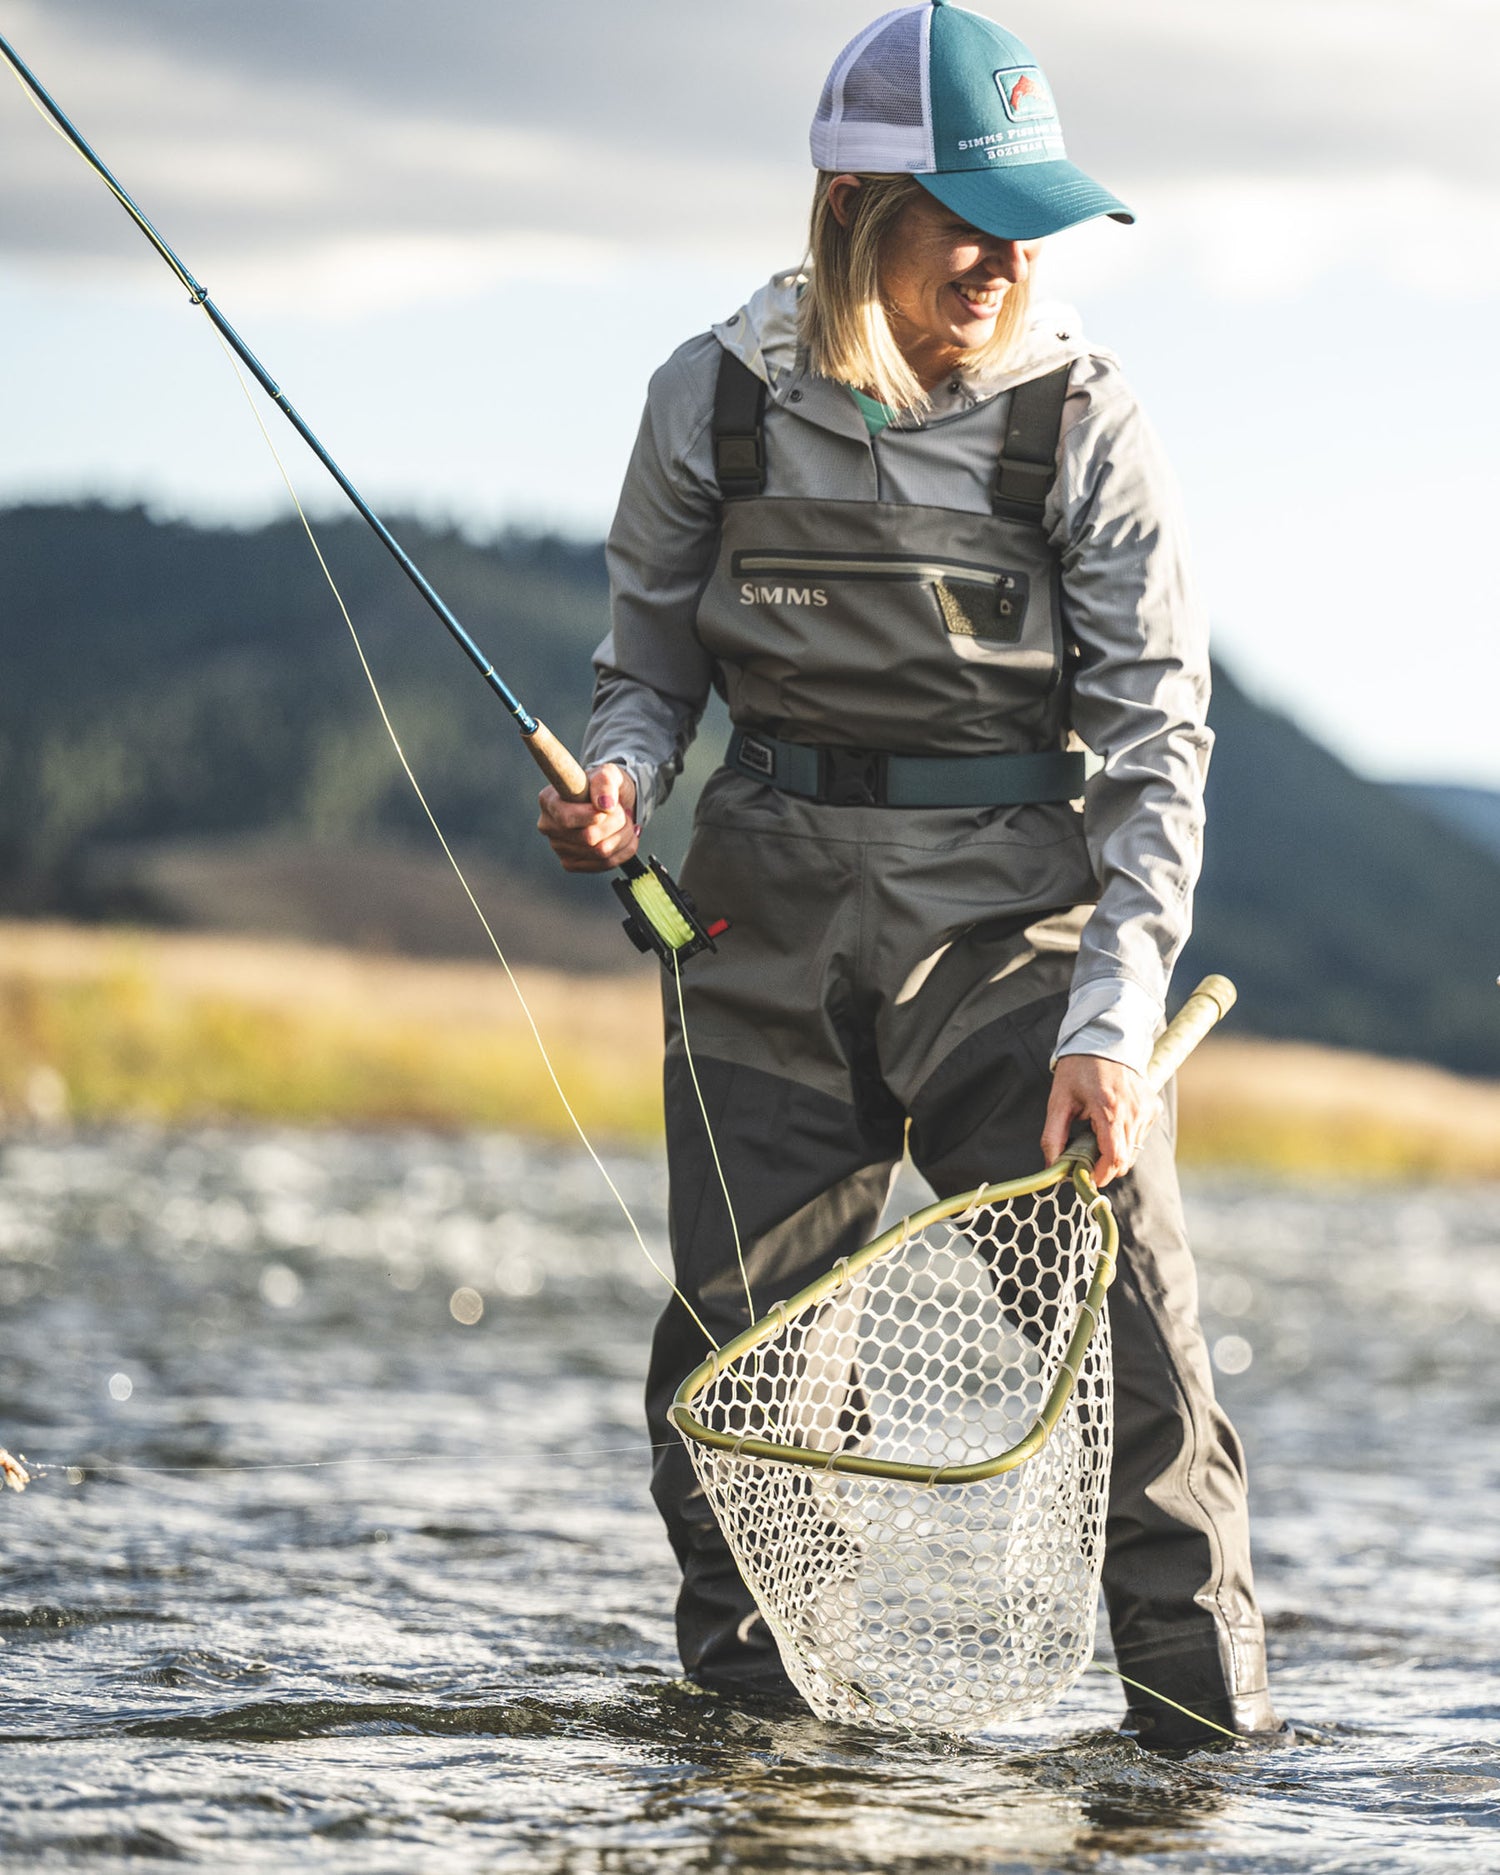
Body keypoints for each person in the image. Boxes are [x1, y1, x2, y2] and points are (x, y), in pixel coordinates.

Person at [539, 0, 1278, 1748]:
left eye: (1032, 213)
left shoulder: (1085, 421)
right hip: (760, 921)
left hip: (1016, 945)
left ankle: (1201, 1781)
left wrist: (1111, 1020)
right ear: (854, 205)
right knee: (738, 1381)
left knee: (1141, 1375)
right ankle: (763, 1791)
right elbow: (643, 679)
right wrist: (622, 788)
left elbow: (1160, 750)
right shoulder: (705, 401)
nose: (1007, 253)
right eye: (970, 209)